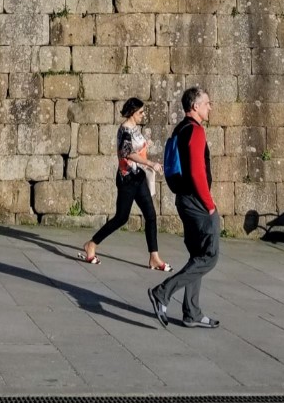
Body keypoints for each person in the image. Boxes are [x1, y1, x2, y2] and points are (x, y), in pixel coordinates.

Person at [148, 87, 221, 329]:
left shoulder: (180, 129)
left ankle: (192, 312)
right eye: (207, 103)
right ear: (195, 106)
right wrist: (209, 205)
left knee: (196, 256)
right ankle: (163, 292)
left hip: (183, 199)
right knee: (209, 257)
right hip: (197, 202)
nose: (210, 107)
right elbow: (197, 171)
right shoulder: (197, 131)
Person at [79, 97, 171, 271]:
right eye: (140, 112)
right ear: (132, 113)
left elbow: (136, 149)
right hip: (127, 179)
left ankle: (154, 257)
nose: (143, 115)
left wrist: (146, 146)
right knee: (121, 218)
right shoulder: (125, 130)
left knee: (150, 215)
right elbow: (127, 153)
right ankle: (91, 244)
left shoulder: (135, 128)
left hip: (138, 178)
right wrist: (150, 163)